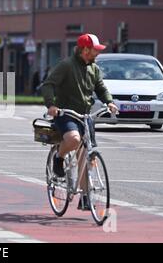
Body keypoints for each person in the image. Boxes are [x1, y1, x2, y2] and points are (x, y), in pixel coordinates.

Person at [41, 33, 118, 211]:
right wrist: (51, 105)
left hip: (85, 116)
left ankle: (85, 197)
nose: (97, 53)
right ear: (85, 50)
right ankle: (59, 158)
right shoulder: (66, 65)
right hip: (66, 114)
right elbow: (48, 84)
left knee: (87, 157)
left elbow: (100, 87)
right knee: (74, 140)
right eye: (95, 50)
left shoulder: (94, 68)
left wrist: (109, 102)